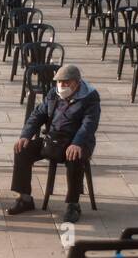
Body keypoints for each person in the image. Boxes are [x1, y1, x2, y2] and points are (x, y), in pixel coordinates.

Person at [7, 64, 100, 224]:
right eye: (59, 82)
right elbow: (38, 114)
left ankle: (73, 204)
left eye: (66, 82)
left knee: (74, 157)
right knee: (22, 150)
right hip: (54, 138)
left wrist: (77, 143)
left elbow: (89, 124)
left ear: (76, 83)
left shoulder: (90, 97)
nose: (61, 86)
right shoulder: (53, 93)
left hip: (78, 141)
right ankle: (24, 198)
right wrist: (26, 135)